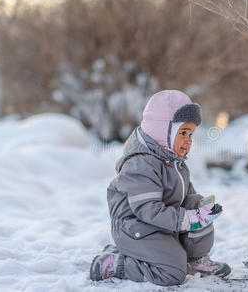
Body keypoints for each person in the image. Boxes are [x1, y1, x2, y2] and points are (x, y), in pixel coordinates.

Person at [89, 90, 230, 286]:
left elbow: (186, 198)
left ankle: (196, 260)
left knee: (196, 204)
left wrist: (200, 210)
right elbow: (148, 210)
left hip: (161, 224)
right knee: (172, 273)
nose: (188, 140)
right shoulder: (141, 164)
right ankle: (117, 263)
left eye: (191, 133)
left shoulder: (174, 162)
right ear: (163, 130)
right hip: (135, 228)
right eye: (183, 133)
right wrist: (187, 219)